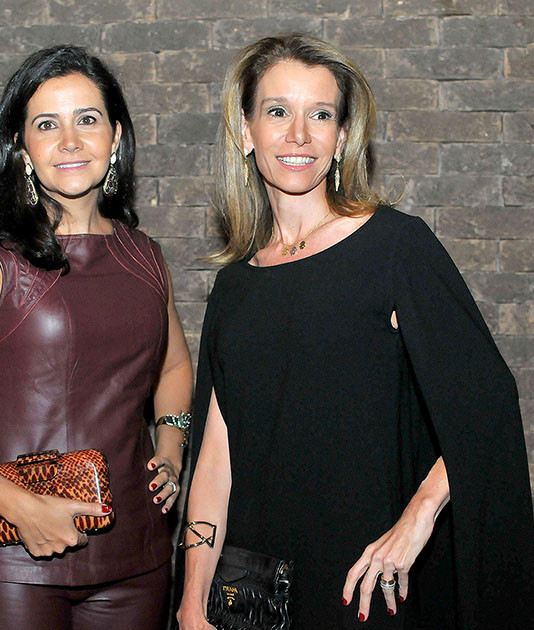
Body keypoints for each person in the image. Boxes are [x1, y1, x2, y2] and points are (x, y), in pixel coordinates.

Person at [176, 33, 534, 630]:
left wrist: (418, 518)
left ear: (341, 138)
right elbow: (215, 460)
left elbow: (486, 404)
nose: (298, 134)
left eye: (320, 115)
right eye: (277, 111)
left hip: (363, 586)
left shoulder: (395, 248)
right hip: (252, 591)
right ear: (245, 131)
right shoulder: (235, 285)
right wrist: (193, 599)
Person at [0, 45, 193, 630]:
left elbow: (173, 368)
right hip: (14, 558)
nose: (69, 141)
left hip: (138, 559)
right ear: (21, 146)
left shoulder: (144, 255)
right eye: (46, 124)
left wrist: (172, 444)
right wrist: (18, 507)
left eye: (87, 119)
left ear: (115, 135)